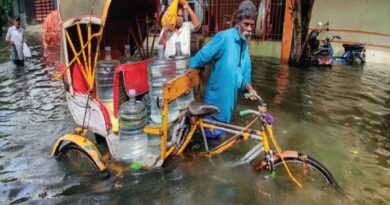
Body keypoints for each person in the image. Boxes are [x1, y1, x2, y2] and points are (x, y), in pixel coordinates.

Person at [188, 0, 258, 139]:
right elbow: (201, 57)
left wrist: (250, 89)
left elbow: (244, 77)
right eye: (246, 24)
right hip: (213, 109)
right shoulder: (224, 38)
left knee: (219, 145)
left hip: (227, 110)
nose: (249, 29)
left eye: (252, 25)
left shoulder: (245, 47)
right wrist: (184, 72)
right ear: (238, 22)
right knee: (212, 147)